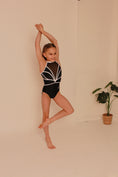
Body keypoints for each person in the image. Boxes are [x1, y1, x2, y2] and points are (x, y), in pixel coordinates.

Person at [35, 24, 74, 149]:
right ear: (44, 54)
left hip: (56, 92)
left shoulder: (57, 61)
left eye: (54, 53)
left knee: (70, 110)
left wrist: (44, 31)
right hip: (46, 92)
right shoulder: (42, 63)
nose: (53, 55)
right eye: (50, 54)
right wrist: (39, 33)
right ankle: (48, 138)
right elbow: (36, 46)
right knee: (45, 115)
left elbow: (55, 41)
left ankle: (49, 121)